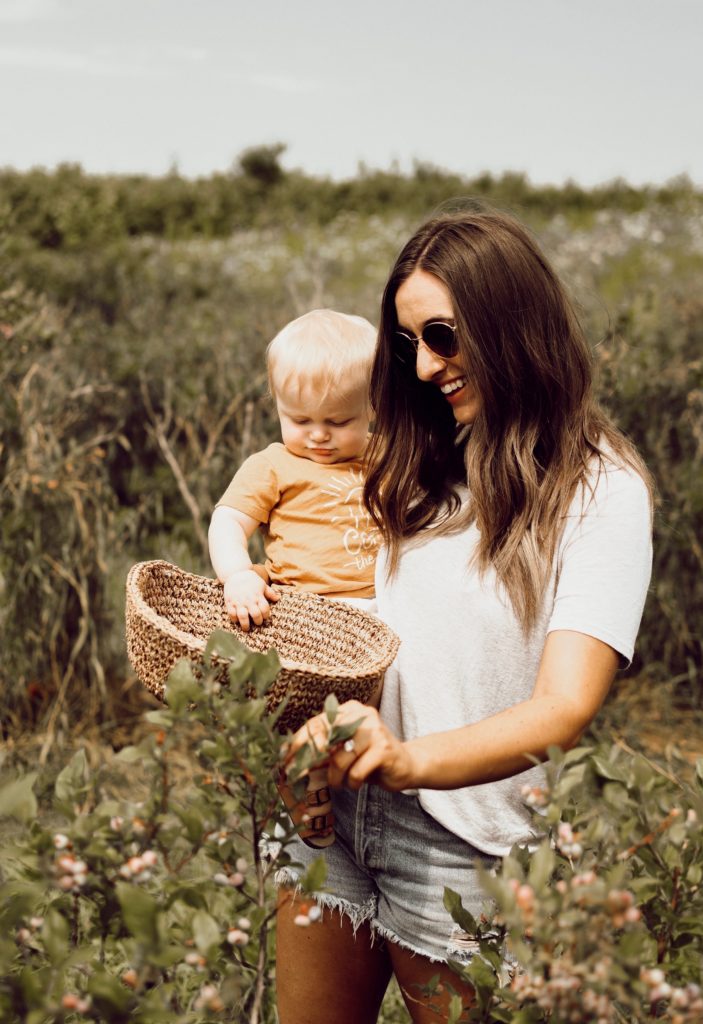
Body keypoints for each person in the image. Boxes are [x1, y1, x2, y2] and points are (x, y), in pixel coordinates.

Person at [275, 207, 654, 1023]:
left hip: (463, 843)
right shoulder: (418, 463)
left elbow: (564, 706)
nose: (423, 367)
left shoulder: (600, 489)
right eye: (409, 343)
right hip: (336, 817)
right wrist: (317, 729)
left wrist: (406, 761)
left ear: (511, 321)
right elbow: (377, 640)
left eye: (441, 335)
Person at [209, 308, 381, 846]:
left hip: (376, 610)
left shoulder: (385, 459)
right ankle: (296, 776)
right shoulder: (275, 464)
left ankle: (328, 777)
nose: (319, 437)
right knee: (293, 700)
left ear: (373, 408)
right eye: (300, 419)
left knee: (369, 709)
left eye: (339, 421)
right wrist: (238, 575)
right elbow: (228, 522)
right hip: (300, 611)